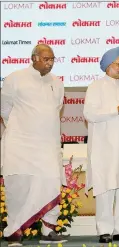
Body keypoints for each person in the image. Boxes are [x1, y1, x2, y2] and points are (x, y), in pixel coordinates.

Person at [1, 44, 67, 246]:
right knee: (19, 187)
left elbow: (56, 109)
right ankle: (13, 232)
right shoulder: (15, 78)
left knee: (51, 182)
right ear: (34, 58)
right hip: (21, 144)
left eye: (52, 59)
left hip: (47, 145)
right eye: (46, 59)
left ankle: (48, 231)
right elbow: (5, 109)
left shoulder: (57, 82)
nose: (49, 63)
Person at [83, 46, 119, 243]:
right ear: (107, 66)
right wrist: (116, 110)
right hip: (104, 147)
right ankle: (104, 228)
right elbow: (89, 114)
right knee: (106, 186)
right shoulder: (95, 86)